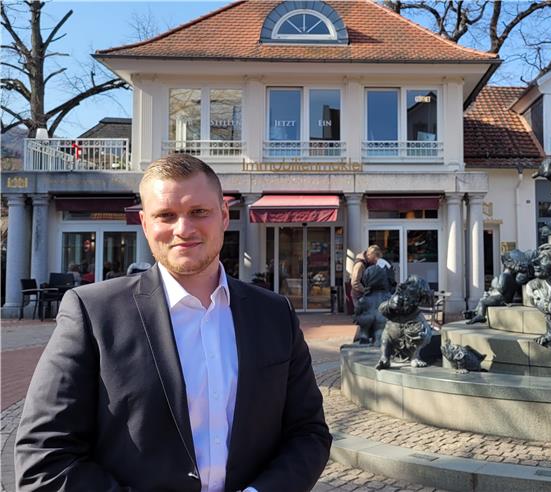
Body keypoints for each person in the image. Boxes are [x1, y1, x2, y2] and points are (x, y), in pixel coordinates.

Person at [15, 154, 331, 491]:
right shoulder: (92, 313)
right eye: (166, 215)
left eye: (199, 212)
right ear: (145, 224)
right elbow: (43, 458)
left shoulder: (274, 313)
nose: (184, 229)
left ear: (224, 216)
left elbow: (308, 432)